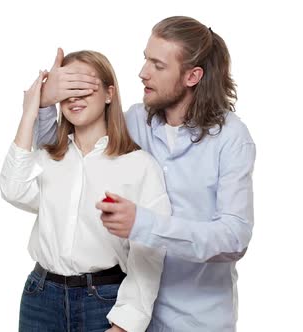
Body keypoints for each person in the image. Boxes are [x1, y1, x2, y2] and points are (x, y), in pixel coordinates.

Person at [36, 16, 256, 331]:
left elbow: (234, 238)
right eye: (145, 59)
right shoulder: (133, 123)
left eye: (158, 65)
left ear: (192, 76)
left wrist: (143, 224)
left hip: (197, 320)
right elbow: (58, 161)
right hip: (122, 312)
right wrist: (47, 101)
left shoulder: (232, 138)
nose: (142, 73)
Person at [0, 50, 171, 332]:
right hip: (40, 298)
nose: (75, 98)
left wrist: (126, 324)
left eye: (84, 88)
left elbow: (150, 251)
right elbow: (12, 189)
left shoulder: (139, 166)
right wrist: (33, 107)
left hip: (102, 302)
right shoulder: (49, 157)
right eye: (67, 90)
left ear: (109, 93)